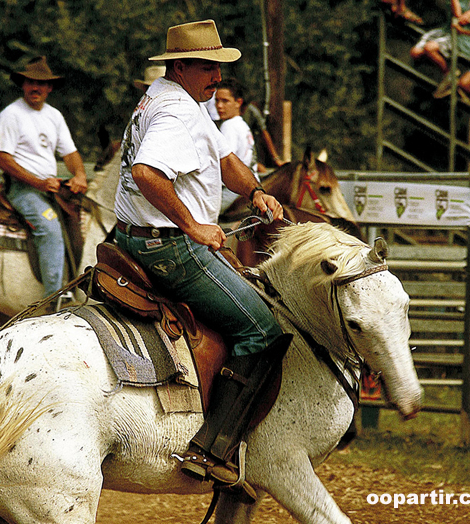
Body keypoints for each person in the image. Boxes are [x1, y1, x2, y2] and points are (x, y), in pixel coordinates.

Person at [113, 19, 292, 500]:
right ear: (181, 65)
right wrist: (193, 225)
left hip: (133, 237)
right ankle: (213, 449)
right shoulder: (175, 113)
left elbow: (224, 158)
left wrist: (255, 190)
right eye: (208, 67)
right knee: (263, 330)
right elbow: (148, 172)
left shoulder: (176, 101)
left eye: (219, 67)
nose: (217, 77)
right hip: (169, 245)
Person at [0, 56, 88, 297]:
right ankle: (54, 297)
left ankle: (84, 287)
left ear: (49, 87)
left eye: (41, 83)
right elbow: (3, 159)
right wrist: (37, 182)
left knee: (85, 222)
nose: (35, 88)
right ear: (23, 85)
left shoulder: (53, 115)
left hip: (50, 188)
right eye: (30, 82)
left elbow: (70, 152)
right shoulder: (11, 114)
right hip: (23, 190)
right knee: (49, 227)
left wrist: (80, 174)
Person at [410, 0, 470, 98]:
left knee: (430, 48)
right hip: (448, 31)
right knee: (415, 52)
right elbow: (457, 15)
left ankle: (449, 76)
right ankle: (448, 75)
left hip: (466, 37)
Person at [214, 78, 260, 213]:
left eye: (225, 101)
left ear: (238, 102)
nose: (219, 106)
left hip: (234, 190)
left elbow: (225, 164)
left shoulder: (229, 126)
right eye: (217, 100)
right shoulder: (241, 124)